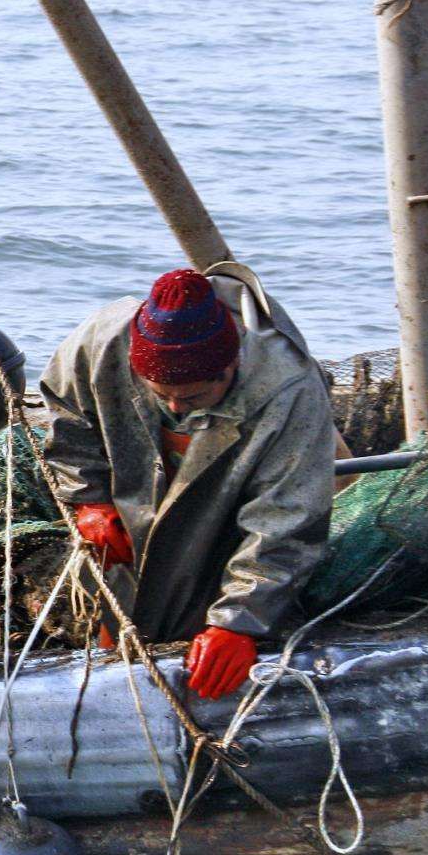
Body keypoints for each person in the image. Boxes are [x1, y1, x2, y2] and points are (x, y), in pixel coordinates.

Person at [39, 265, 334, 700]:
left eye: (193, 397)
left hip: (225, 527)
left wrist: (238, 622)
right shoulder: (100, 342)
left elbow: (286, 518)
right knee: (112, 592)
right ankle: (109, 668)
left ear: (229, 364)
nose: (176, 405)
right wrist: (89, 501)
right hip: (129, 515)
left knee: (200, 608)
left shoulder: (287, 390)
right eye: (161, 395)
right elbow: (67, 412)